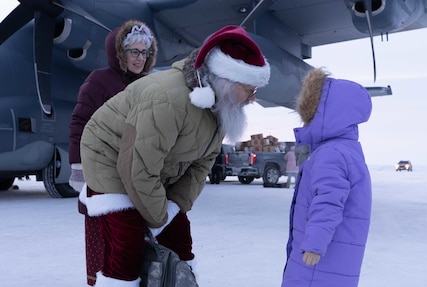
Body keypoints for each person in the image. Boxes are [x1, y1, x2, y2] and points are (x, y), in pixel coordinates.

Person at [79, 25, 270, 286]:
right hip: (109, 158)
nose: (252, 98)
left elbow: (200, 168)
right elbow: (137, 167)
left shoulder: (218, 110)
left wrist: (173, 209)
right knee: (127, 244)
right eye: (250, 89)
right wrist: (158, 218)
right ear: (227, 81)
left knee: (180, 238)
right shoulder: (169, 100)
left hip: (149, 167)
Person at [68, 20, 158, 286]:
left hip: (136, 177)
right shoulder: (99, 80)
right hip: (103, 177)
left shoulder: (149, 85)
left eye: (145, 52)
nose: (139, 58)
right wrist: (78, 166)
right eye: (134, 51)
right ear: (120, 52)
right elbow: (79, 123)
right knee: (104, 243)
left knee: (134, 246)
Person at [281, 68, 372, 287]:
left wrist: (314, 244)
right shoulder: (344, 150)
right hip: (333, 261)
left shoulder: (331, 154)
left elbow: (329, 200)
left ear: (326, 111)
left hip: (318, 264)